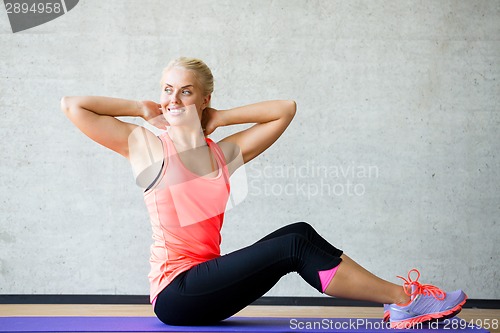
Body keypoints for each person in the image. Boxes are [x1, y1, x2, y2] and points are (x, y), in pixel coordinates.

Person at [61, 57, 467, 329]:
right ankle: (405, 300)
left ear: (204, 99)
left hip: (204, 286)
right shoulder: (149, 147)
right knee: (292, 245)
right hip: (175, 294)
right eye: (168, 89)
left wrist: (220, 118)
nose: (174, 99)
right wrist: (142, 107)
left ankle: (400, 303)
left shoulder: (224, 155)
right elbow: (73, 106)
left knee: (300, 232)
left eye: (186, 91)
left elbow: (285, 109)